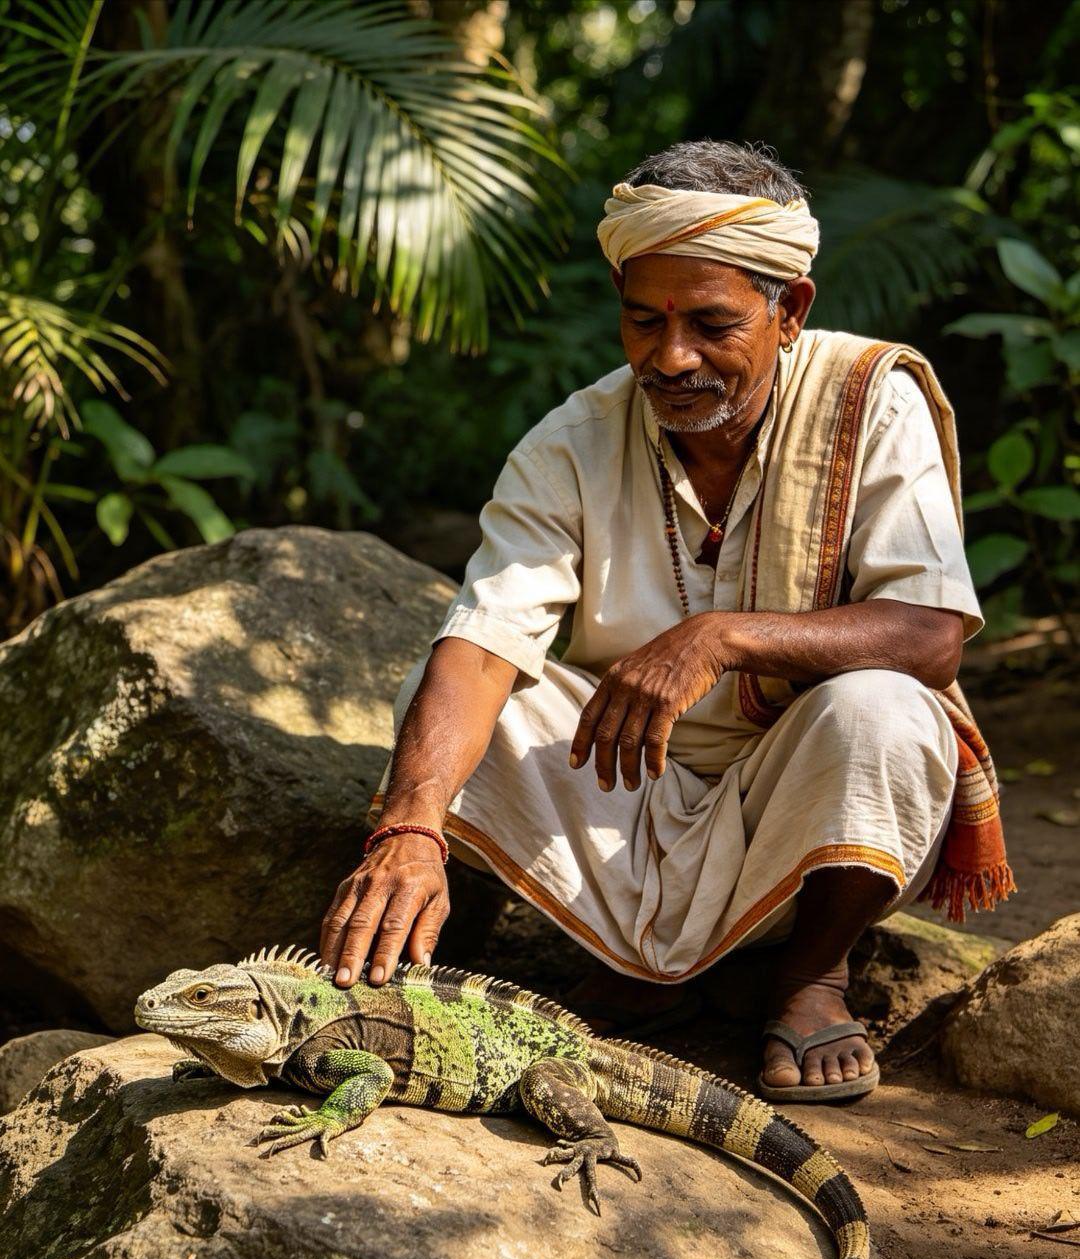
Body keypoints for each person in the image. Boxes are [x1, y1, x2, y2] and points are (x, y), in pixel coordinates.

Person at [319, 140, 1013, 1104]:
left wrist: (720, 635)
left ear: (791, 310)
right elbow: (485, 637)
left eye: (711, 324)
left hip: (809, 794)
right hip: (634, 787)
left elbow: (933, 633)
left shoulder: (868, 400)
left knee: (889, 709)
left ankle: (808, 973)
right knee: (449, 703)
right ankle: (656, 967)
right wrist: (408, 831)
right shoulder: (570, 442)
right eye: (644, 321)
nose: (670, 356)